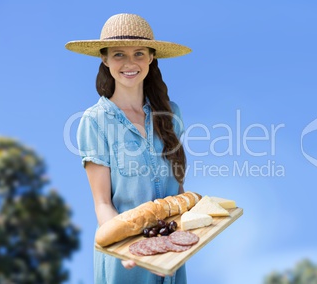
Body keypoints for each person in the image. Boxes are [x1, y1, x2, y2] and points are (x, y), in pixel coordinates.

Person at [65, 13, 191, 284]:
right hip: (127, 262)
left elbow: (178, 194)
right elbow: (103, 203)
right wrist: (126, 248)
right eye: (119, 54)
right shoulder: (94, 121)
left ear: (151, 58)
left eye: (139, 53)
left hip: (170, 259)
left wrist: (183, 239)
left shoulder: (171, 115)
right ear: (105, 59)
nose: (130, 63)